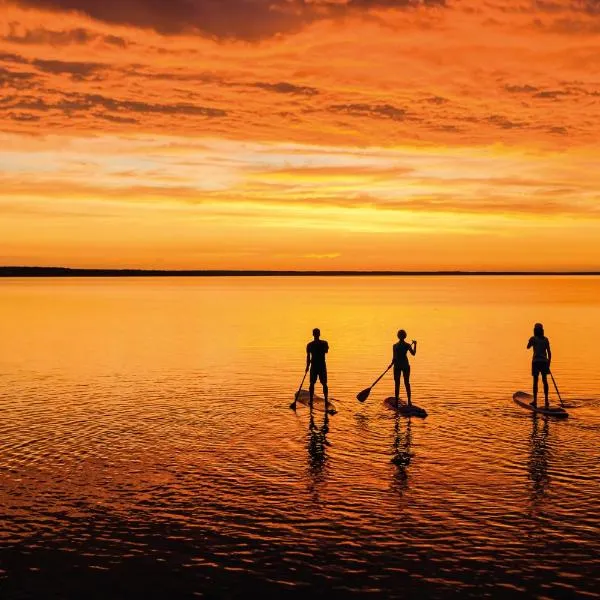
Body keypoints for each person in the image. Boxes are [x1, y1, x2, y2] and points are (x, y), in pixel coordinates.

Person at [527, 322, 551, 408]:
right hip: (544, 362)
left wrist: (530, 341)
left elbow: (528, 347)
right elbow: (549, 352)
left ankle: (535, 400)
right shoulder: (546, 339)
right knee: (545, 381)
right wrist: (549, 362)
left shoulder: (533, 339)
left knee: (535, 381)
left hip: (536, 362)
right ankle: (546, 400)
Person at [390, 330, 416, 408]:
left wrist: (391, 363)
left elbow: (394, 358)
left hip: (398, 366)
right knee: (406, 383)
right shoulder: (407, 345)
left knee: (397, 384)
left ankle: (397, 402)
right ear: (405, 336)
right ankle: (409, 401)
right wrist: (415, 345)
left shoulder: (395, 346)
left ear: (398, 336)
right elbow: (414, 353)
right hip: (404, 365)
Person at [306, 328, 329, 408]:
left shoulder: (310, 345)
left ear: (313, 334)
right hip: (320, 366)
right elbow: (326, 351)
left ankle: (312, 400)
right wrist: (307, 367)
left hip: (317, 366)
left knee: (313, 383)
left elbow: (308, 357)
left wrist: (307, 367)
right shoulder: (324, 343)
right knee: (323, 383)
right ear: (319, 334)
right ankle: (325, 400)